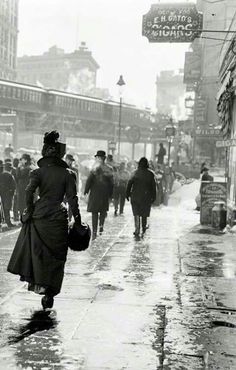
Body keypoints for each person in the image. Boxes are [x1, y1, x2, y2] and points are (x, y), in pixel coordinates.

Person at [7, 131, 82, 310]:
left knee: (39, 255)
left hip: (40, 216)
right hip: (58, 217)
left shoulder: (38, 172)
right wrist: (77, 220)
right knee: (57, 256)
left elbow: (28, 191)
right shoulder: (68, 174)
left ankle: (40, 284)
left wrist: (30, 208)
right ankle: (51, 292)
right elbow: (72, 199)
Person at [84, 150, 114, 240]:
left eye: (98, 157)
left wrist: (86, 191)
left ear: (100, 158)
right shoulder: (109, 168)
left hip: (95, 194)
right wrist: (110, 194)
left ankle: (94, 231)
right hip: (104, 194)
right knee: (103, 211)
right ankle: (100, 227)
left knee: (95, 212)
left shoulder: (94, 168)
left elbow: (89, 180)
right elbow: (112, 183)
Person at [126, 157, 156, 237]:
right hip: (146, 197)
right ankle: (143, 227)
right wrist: (154, 196)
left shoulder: (134, 173)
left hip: (135, 196)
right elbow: (154, 187)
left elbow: (129, 184)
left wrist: (127, 194)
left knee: (136, 212)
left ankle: (137, 228)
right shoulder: (151, 174)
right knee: (144, 213)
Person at [0, 161, 16, 227]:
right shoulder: (8, 175)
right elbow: (13, 185)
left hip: (4, 193)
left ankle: (3, 222)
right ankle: (8, 222)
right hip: (7, 193)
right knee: (6, 208)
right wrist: (11, 192)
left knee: (4, 208)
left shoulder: (6, 175)